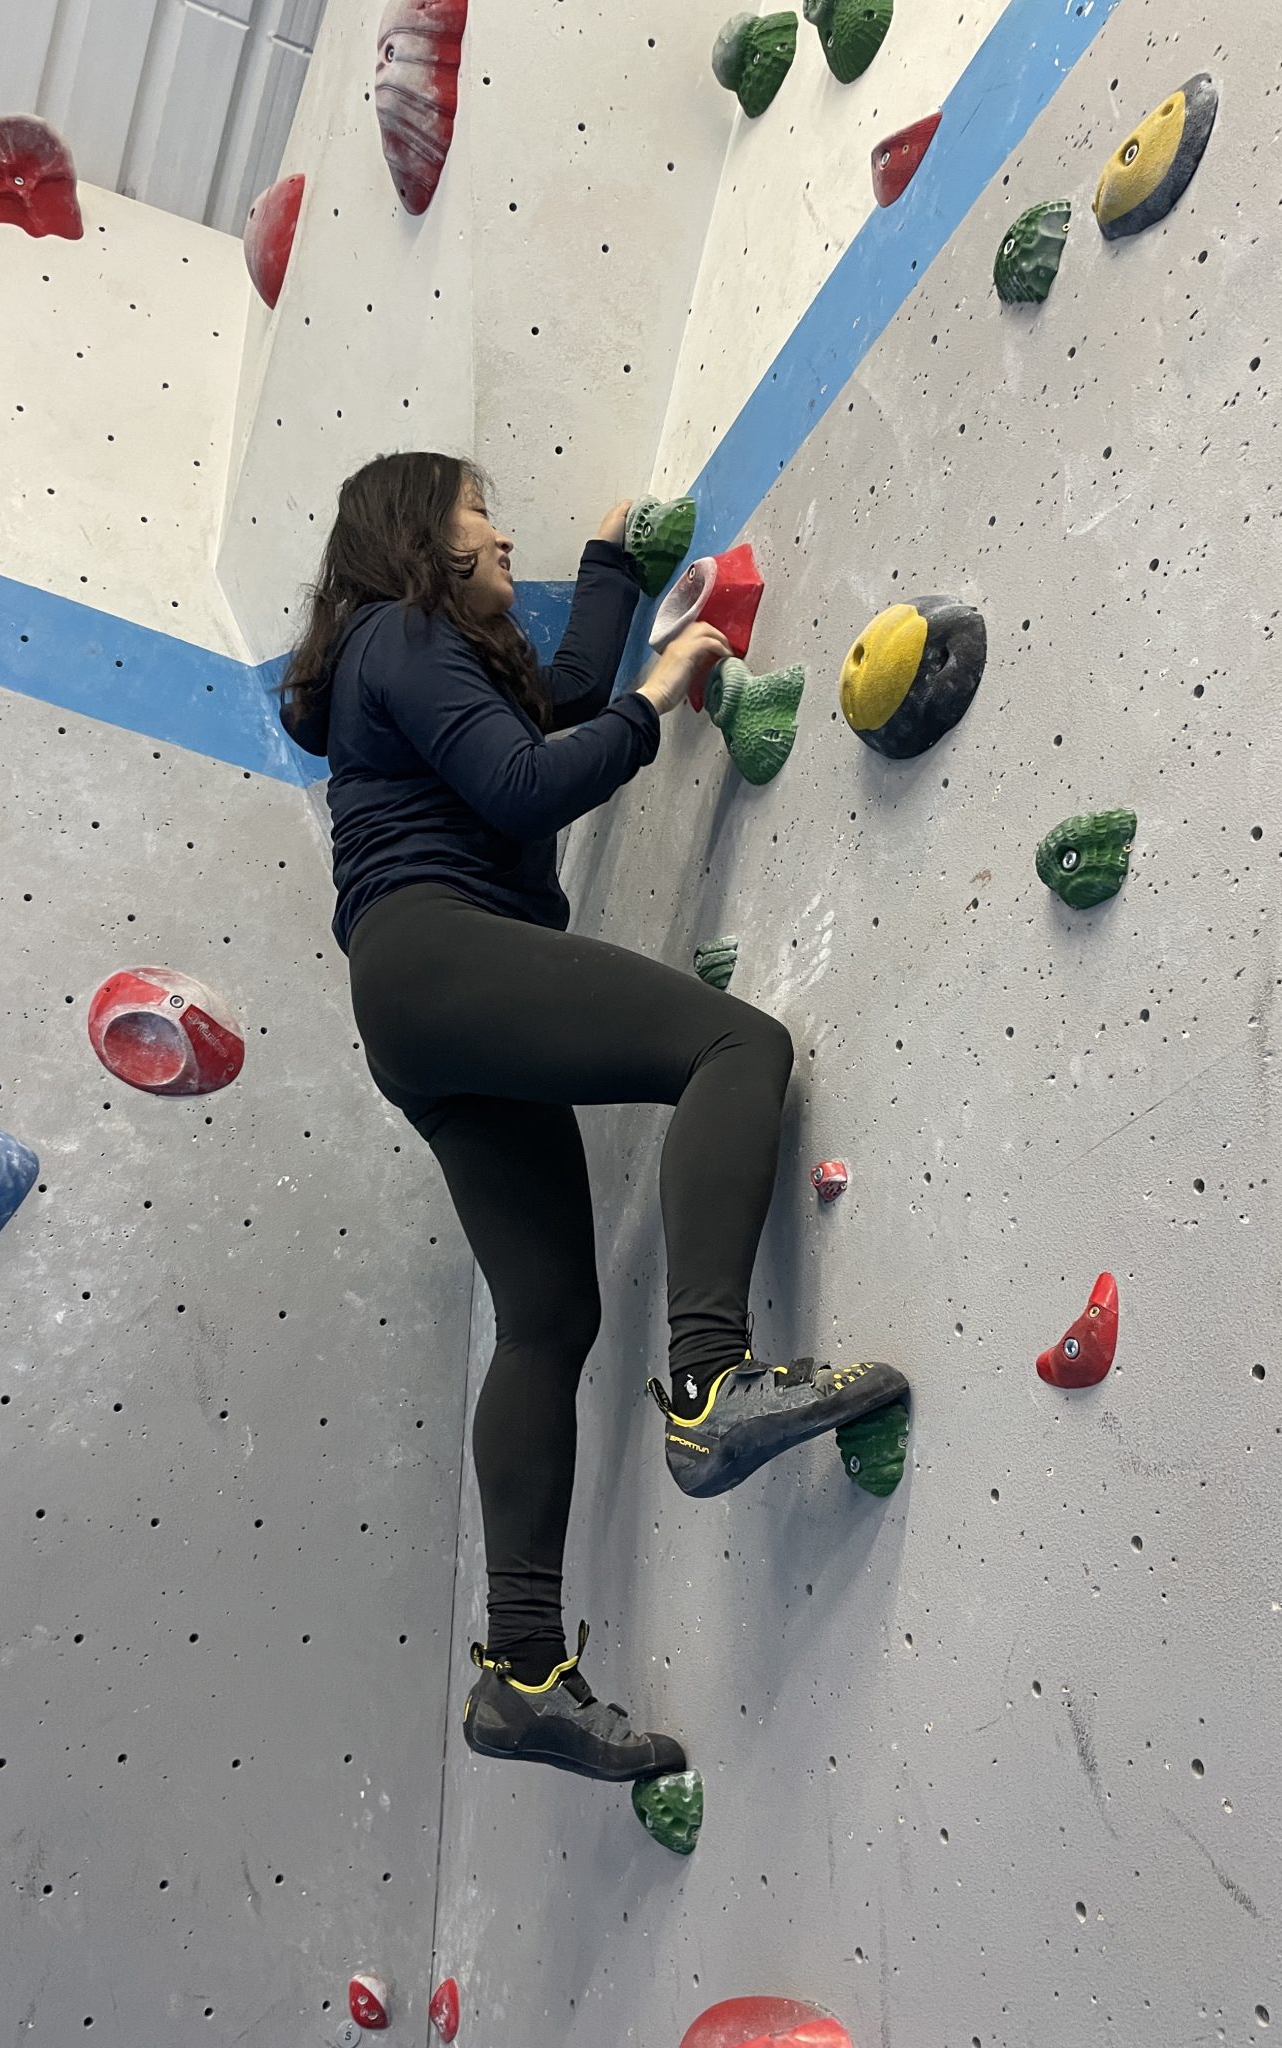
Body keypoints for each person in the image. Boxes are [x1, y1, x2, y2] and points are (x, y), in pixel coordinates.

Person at [278, 452, 907, 1785]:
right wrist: (665, 701)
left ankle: (519, 1675)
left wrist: (615, 575)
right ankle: (713, 1382)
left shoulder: (410, 665)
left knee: (552, 1316)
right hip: (441, 951)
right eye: (478, 515)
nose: (502, 534)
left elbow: (553, 698)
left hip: (424, 1006)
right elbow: (526, 783)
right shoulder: (398, 635)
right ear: (420, 540)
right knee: (736, 1044)